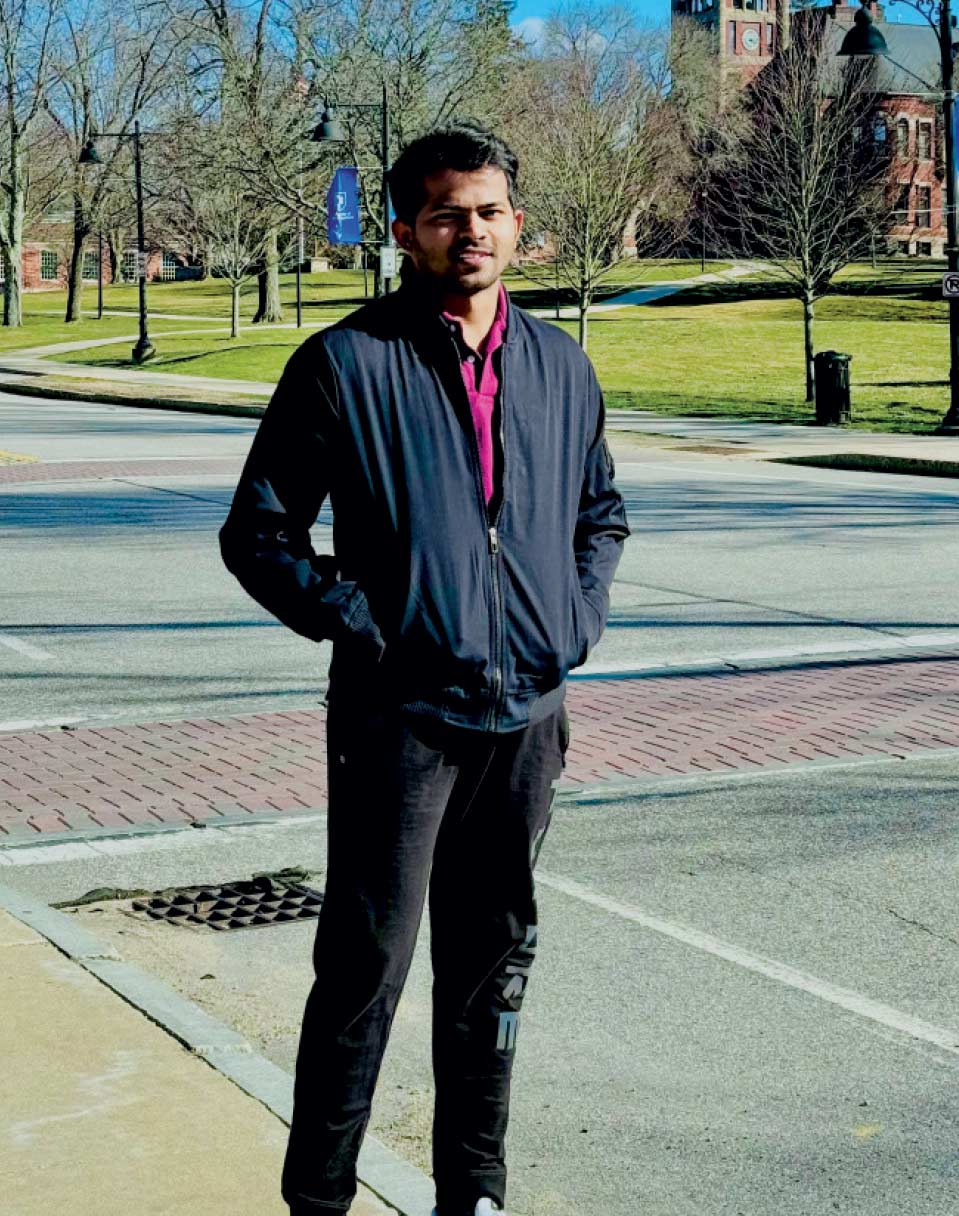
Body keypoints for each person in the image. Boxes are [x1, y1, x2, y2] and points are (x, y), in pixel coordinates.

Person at [219, 120, 629, 1216]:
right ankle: (319, 1199)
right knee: (365, 971)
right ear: (405, 231)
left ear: (518, 224)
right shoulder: (347, 363)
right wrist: (365, 625)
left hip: (527, 717)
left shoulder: (560, 365)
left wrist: (572, 623)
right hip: (397, 721)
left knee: (494, 965)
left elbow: (599, 515)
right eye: (447, 214)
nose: (471, 232)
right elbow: (258, 534)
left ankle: (474, 1193)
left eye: (489, 212)